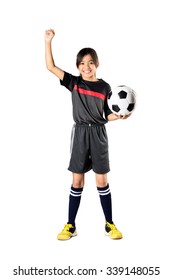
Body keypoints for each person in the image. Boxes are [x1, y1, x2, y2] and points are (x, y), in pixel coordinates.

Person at [45, 29, 130, 240]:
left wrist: (119, 116)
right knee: (77, 182)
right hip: (80, 134)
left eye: (90, 62)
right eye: (82, 63)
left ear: (97, 64)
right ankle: (70, 225)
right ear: (77, 67)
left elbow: (108, 114)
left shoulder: (105, 87)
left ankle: (109, 224)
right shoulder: (75, 83)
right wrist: (48, 41)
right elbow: (50, 67)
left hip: (99, 134)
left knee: (101, 181)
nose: (86, 67)